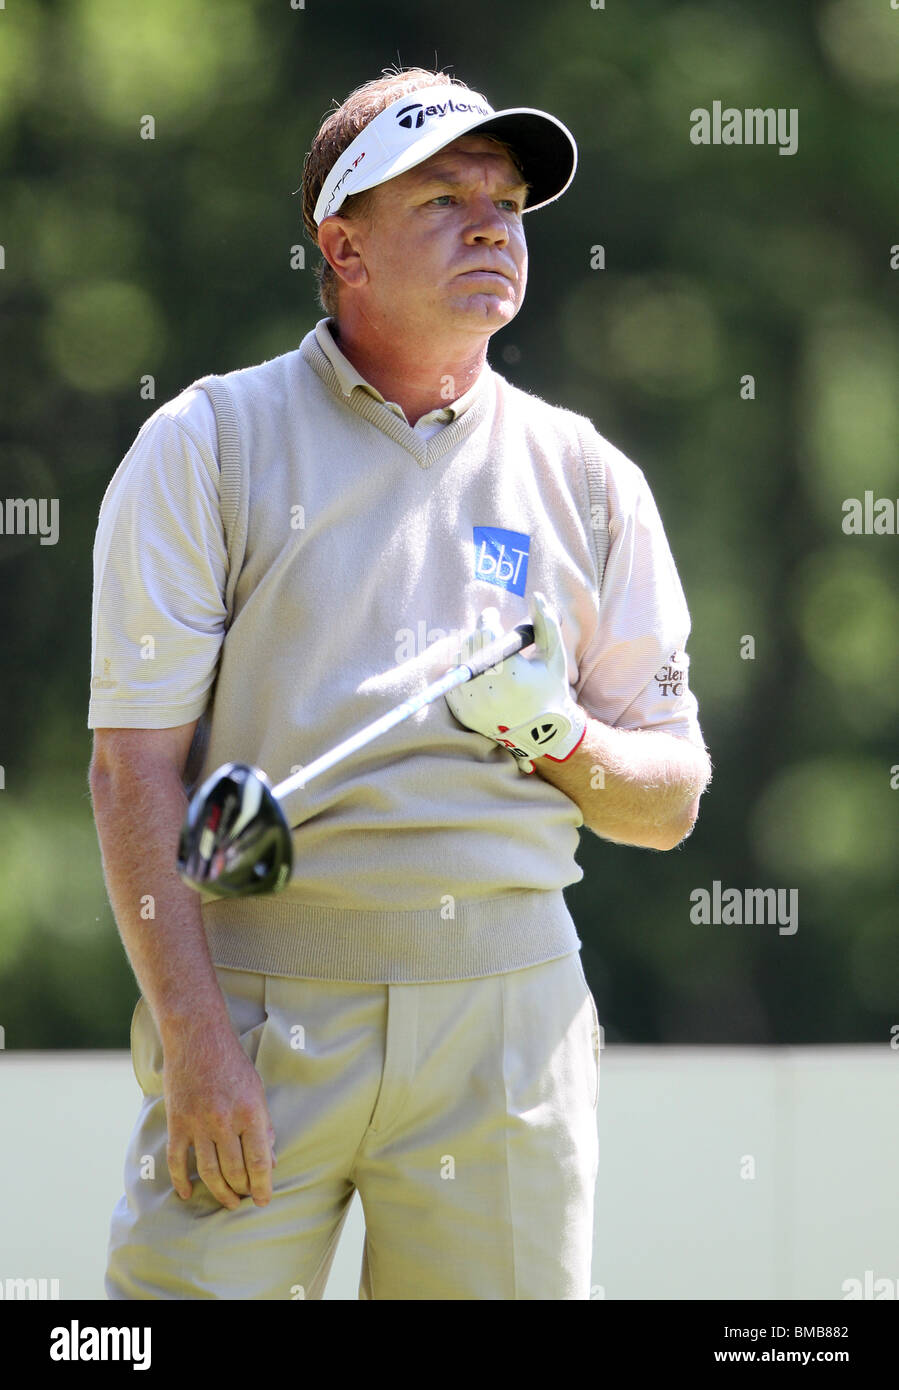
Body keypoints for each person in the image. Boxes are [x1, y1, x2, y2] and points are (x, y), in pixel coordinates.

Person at [88, 66, 711, 1301]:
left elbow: (667, 797)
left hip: (508, 1019)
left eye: (507, 200)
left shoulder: (586, 476)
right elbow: (132, 771)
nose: (491, 222)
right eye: (440, 196)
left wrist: (556, 733)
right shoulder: (208, 443)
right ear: (343, 245)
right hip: (261, 1008)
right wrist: (199, 1042)